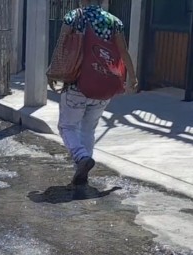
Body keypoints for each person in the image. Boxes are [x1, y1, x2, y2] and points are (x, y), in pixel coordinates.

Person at [54, 1, 138, 185]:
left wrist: (52, 72)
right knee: (88, 128)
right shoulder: (114, 21)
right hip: (103, 86)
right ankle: (83, 170)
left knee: (66, 126)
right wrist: (132, 76)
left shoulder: (74, 17)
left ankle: (81, 158)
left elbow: (61, 46)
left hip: (78, 84)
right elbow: (123, 51)